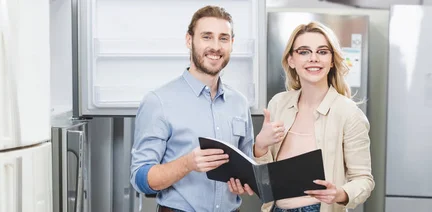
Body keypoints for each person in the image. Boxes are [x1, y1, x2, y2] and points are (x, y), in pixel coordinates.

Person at [129, 5, 255, 212]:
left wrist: (246, 178)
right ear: (189, 40)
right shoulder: (158, 101)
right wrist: (188, 163)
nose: (215, 46)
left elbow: (246, 168)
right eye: (207, 37)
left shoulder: (239, 103)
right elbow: (140, 178)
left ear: (231, 43)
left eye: (223, 38)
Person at [243, 21, 375, 212]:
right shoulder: (278, 104)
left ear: (331, 61)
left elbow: (364, 180)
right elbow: (264, 182)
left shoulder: (348, 113)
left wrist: (340, 193)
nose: (313, 58)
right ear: (291, 60)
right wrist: (260, 147)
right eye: (304, 52)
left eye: (322, 51)